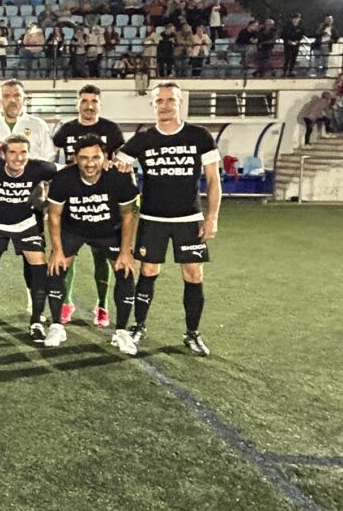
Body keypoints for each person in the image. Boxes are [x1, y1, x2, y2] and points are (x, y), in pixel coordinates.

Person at [115, 82, 221, 356]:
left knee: (194, 273)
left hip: (189, 218)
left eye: (170, 100)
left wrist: (212, 217)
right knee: (148, 271)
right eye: (159, 101)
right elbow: (119, 161)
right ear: (153, 105)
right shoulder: (144, 138)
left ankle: (192, 333)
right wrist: (123, 166)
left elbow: (213, 180)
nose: (164, 105)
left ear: (179, 102)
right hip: (153, 218)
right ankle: (139, 326)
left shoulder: (200, 136)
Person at [46, 135, 139, 353]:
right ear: (75, 159)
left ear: (105, 157)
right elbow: (54, 216)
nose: (90, 163)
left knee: (125, 271)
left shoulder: (118, 178)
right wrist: (57, 251)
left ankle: (122, 332)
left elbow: (128, 215)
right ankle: (56, 325)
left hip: (109, 230)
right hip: (74, 229)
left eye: (96, 157)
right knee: (55, 269)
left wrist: (126, 251)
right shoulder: (63, 179)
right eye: (84, 158)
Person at [0, 134, 57, 339]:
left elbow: (67, 171)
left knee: (39, 268)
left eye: (23, 152)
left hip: (24, 223)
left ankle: (36, 321)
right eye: (13, 152)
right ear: (3, 154)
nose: (18, 158)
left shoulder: (40, 168)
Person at [50, 85, 126, 327]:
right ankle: (67, 302)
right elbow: (54, 158)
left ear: (99, 104)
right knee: (66, 255)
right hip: (74, 200)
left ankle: (102, 306)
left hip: (103, 202)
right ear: (78, 103)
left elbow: (121, 159)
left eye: (94, 101)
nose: (89, 105)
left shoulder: (111, 130)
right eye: (84, 100)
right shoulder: (67, 130)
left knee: (101, 257)